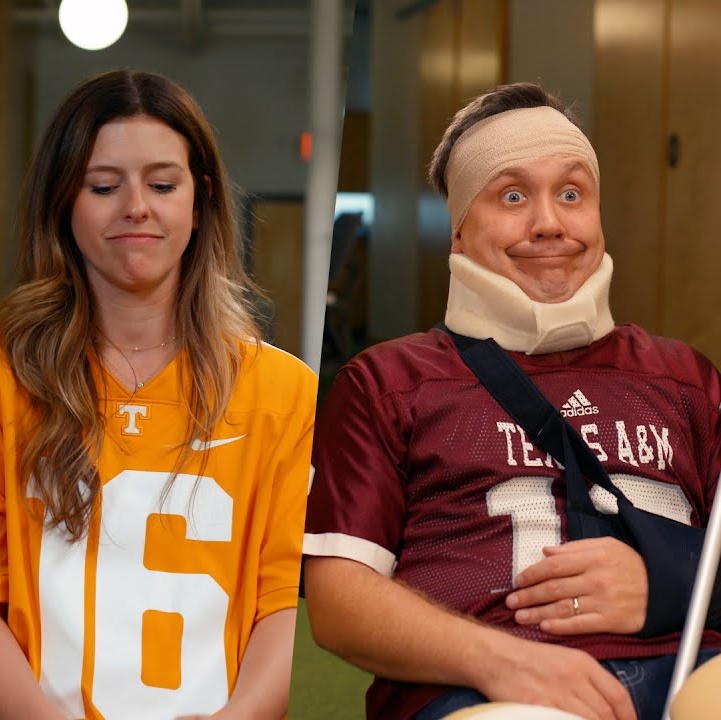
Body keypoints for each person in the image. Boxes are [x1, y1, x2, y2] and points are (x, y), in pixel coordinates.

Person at [302, 82, 721, 720]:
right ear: (459, 233)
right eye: (513, 195)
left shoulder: (686, 378)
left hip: (694, 662)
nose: (549, 223)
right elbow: (337, 601)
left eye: (573, 193)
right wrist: (497, 659)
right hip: (489, 688)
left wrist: (671, 583)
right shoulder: (387, 383)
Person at [0, 70, 317, 720]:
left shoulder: (285, 392)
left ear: (201, 199)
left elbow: (279, 606)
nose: (136, 207)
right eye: (103, 186)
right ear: (63, 202)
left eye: (162, 184)